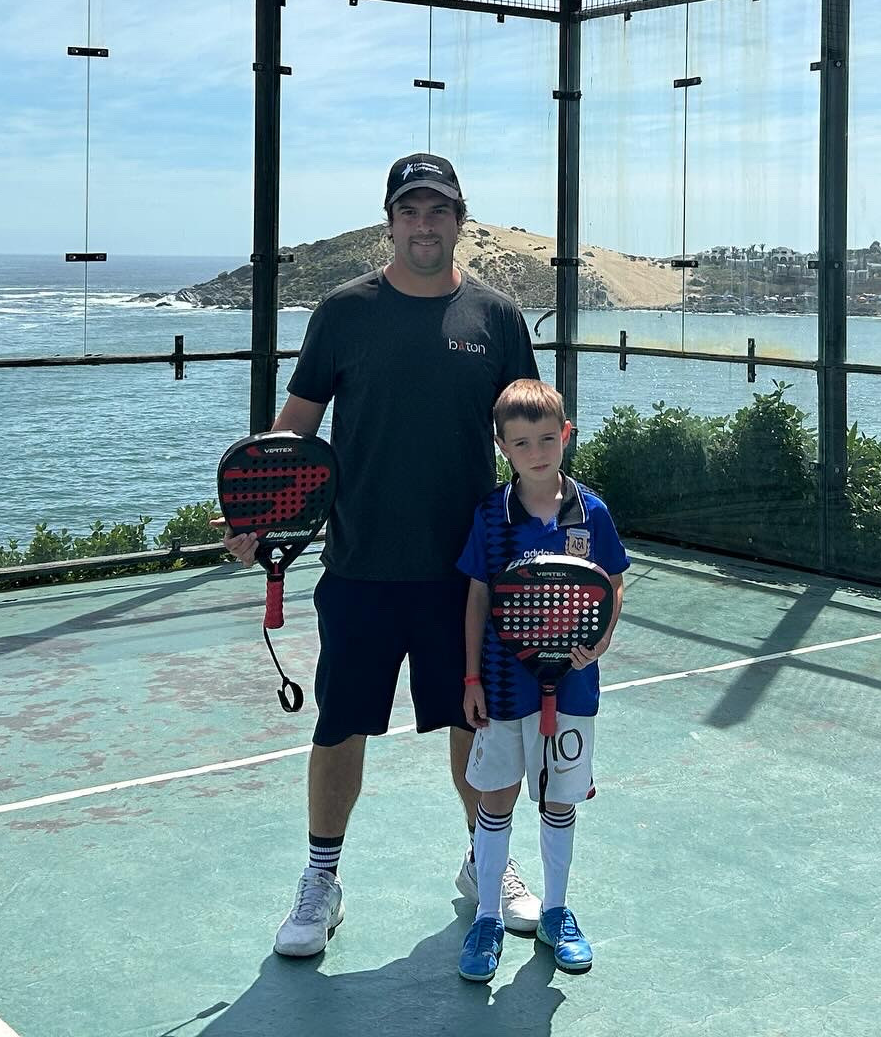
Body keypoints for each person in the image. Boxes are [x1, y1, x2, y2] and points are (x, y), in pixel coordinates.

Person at [221, 153, 543, 957]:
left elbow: (528, 440)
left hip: (464, 576)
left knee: (474, 723)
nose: (423, 225)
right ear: (391, 222)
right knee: (340, 728)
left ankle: (485, 862)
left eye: (438, 211)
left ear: (460, 220)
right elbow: (294, 430)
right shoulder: (343, 312)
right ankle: (321, 881)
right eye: (410, 211)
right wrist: (256, 516)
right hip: (360, 566)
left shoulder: (498, 317)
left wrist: (553, 527)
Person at [456, 378, 628, 982]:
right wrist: (472, 677)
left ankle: (556, 912)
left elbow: (611, 582)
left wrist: (601, 639)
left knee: (559, 800)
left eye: (548, 439)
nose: (537, 452)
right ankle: (487, 918)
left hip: (573, 688)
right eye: (522, 442)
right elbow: (478, 599)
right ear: (502, 446)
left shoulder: (592, 512)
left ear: (566, 436)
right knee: (497, 798)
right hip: (504, 686)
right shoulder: (490, 515)